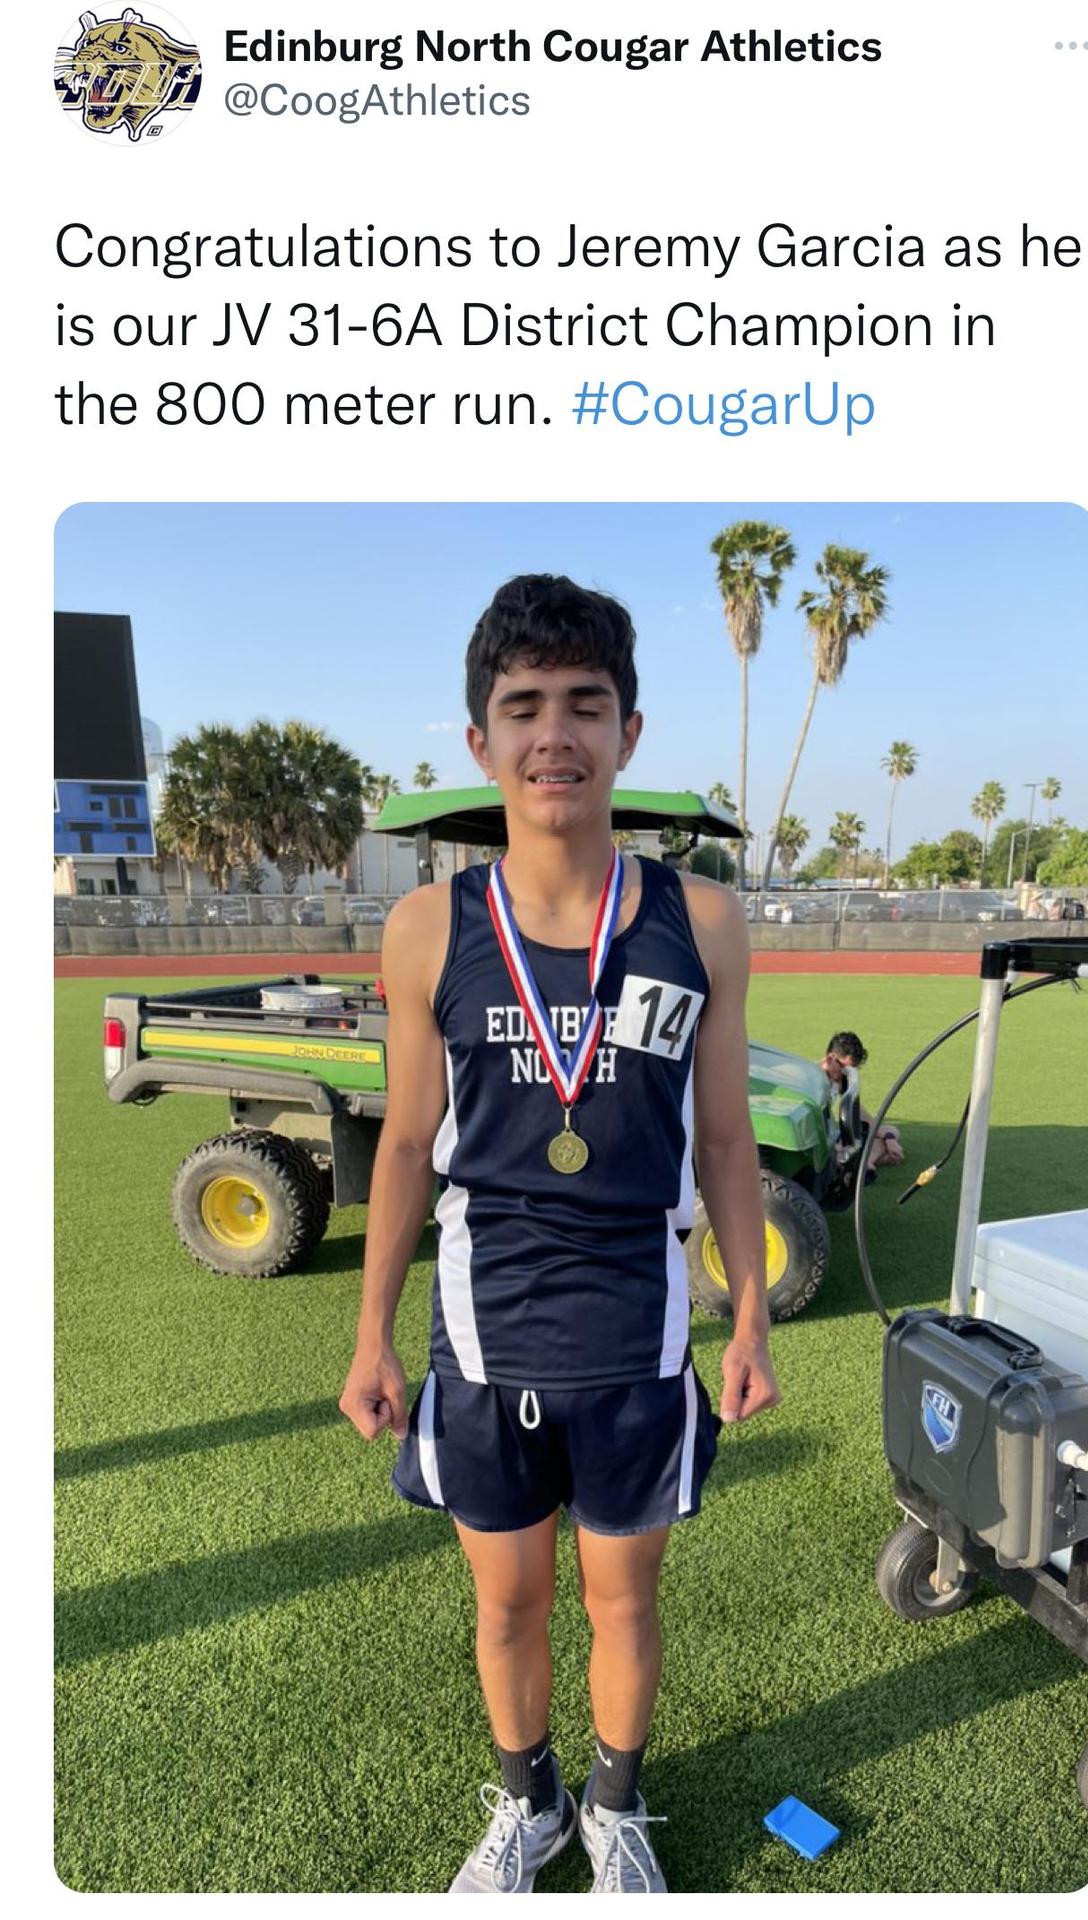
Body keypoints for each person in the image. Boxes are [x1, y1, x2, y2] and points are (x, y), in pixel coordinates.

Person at [339, 575, 780, 1895]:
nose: (553, 735)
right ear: (479, 741)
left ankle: (614, 1812)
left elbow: (722, 1141)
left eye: (583, 705)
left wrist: (748, 1306)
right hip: (482, 1328)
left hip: (638, 1330)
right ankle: (528, 1810)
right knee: (506, 1604)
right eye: (521, 706)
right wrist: (366, 1331)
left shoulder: (696, 918)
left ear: (627, 733)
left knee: (623, 1603)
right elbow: (409, 1144)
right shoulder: (427, 927)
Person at [819, 1030, 905, 1176]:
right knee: (857, 1145)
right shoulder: (814, 1082)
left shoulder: (837, 1081)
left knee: (891, 1130)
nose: (847, 1075)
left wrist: (888, 1138)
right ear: (830, 1058)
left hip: (835, 1138)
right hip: (821, 1144)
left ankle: (865, 1163)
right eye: (844, 1069)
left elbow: (860, 1114)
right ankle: (864, 1164)